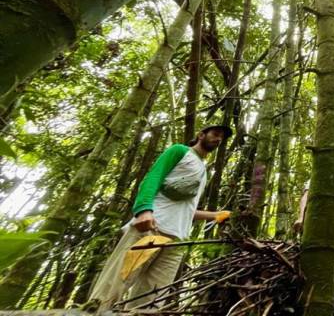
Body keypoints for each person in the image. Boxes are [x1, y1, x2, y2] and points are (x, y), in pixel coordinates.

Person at [88, 124, 234, 310]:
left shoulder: (203, 170)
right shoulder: (180, 151)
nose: (218, 139)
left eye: (222, 137)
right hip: (151, 228)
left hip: (177, 240)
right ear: (200, 135)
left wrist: (215, 215)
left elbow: (186, 209)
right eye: (215, 134)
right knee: (113, 287)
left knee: (152, 299)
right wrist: (143, 210)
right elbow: (153, 178)